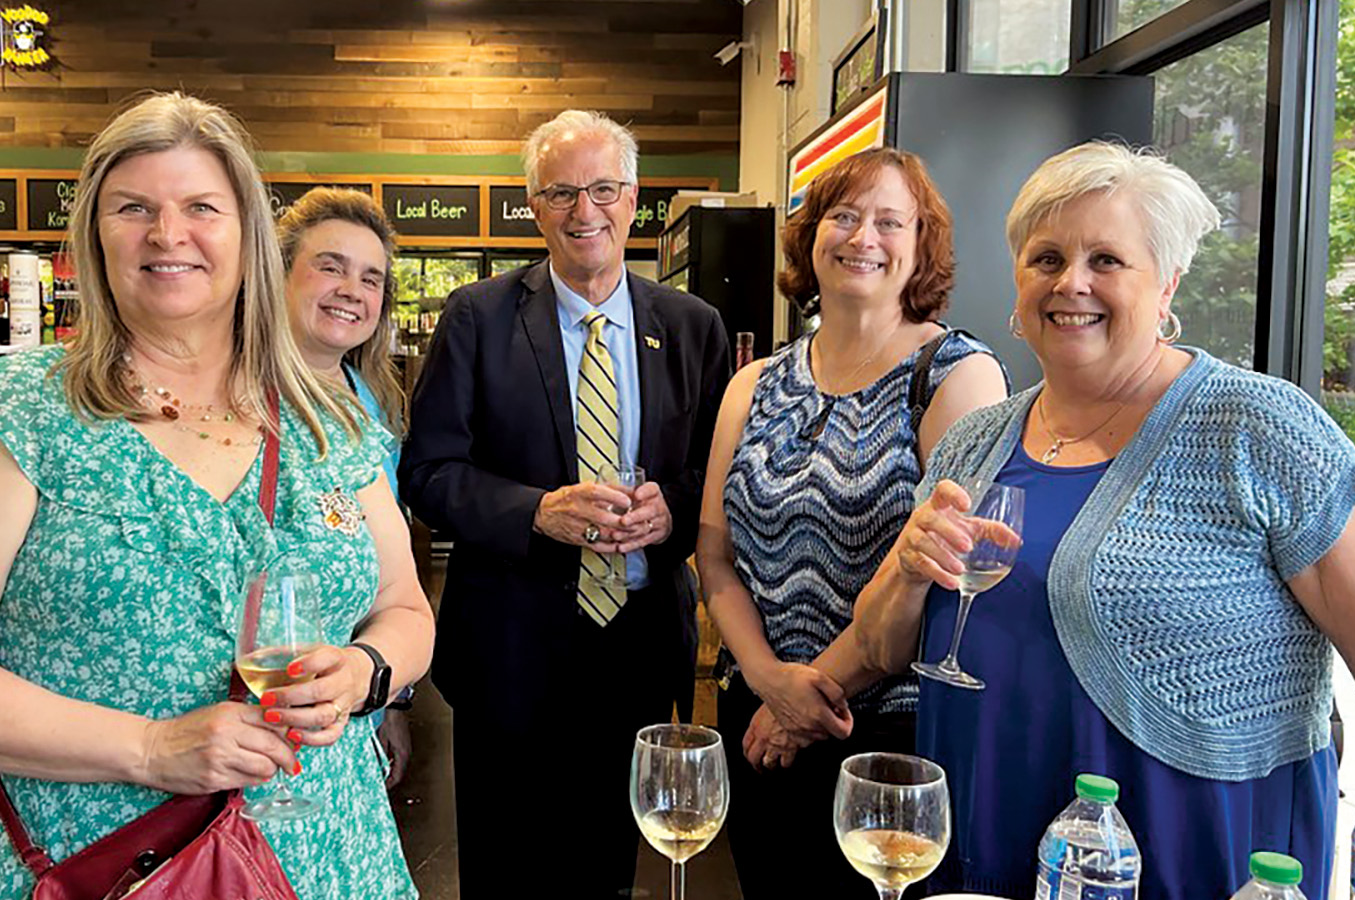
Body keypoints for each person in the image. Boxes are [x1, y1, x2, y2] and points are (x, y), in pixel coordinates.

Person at [0, 93, 434, 900]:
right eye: (135, 208)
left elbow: (406, 607)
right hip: (98, 864)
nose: (169, 234)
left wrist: (367, 671)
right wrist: (152, 748)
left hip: (332, 858)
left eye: (202, 207)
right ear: (96, 233)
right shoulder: (17, 417)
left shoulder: (322, 418)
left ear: (248, 239)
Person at [801, 141, 1355, 900]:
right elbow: (885, 646)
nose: (1070, 283)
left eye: (1107, 260)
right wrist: (911, 574)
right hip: (984, 840)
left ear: (1167, 282)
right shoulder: (977, 440)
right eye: (1046, 258)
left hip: (1195, 854)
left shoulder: (1256, 426)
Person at [399, 109, 732, 898]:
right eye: (561, 193)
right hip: (509, 649)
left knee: (610, 868)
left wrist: (671, 515)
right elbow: (428, 471)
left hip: (637, 647)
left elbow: (710, 480)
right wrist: (535, 511)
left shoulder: (693, 328)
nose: (585, 212)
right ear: (534, 205)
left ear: (633, 196)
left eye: (603, 189)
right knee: (506, 869)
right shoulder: (476, 317)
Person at [696, 148, 1007, 899]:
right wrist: (771, 683)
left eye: (890, 221)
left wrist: (807, 700)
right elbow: (714, 555)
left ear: (921, 245)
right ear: (810, 237)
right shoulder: (754, 383)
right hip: (758, 723)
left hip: (887, 741)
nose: (862, 236)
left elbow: (951, 576)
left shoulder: (958, 377)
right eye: (842, 215)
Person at [279, 186, 414, 788]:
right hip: (263, 710)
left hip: (348, 704)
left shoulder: (371, 403)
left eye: (371, 279)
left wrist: (388, 697)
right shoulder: (231, 398)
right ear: (276, 274)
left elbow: (393, 581)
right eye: (329, 267)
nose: (351, 291)